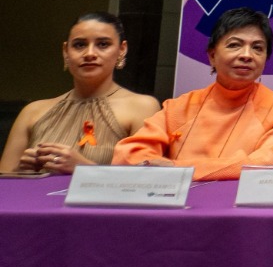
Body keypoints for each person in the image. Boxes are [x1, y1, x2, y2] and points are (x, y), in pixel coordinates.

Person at [113, 8, 273, 180]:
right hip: (176, 208)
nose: (247, 55)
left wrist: (176, 169)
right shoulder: (179, 108)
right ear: (212, 55)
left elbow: (262, 165)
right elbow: (128, 155)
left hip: (239, 210)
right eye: (235, 45)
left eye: (258, 48)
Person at [1, 14, 160, 175]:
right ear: (65, 52)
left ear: (121, 50)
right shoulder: (32, 111)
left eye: (103, 44)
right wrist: (21, 171)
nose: (90, 53)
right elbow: (4, 180)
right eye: (79, 45)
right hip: (31, 199)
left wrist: (84, 168)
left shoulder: (141, 106)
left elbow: (144, 182)